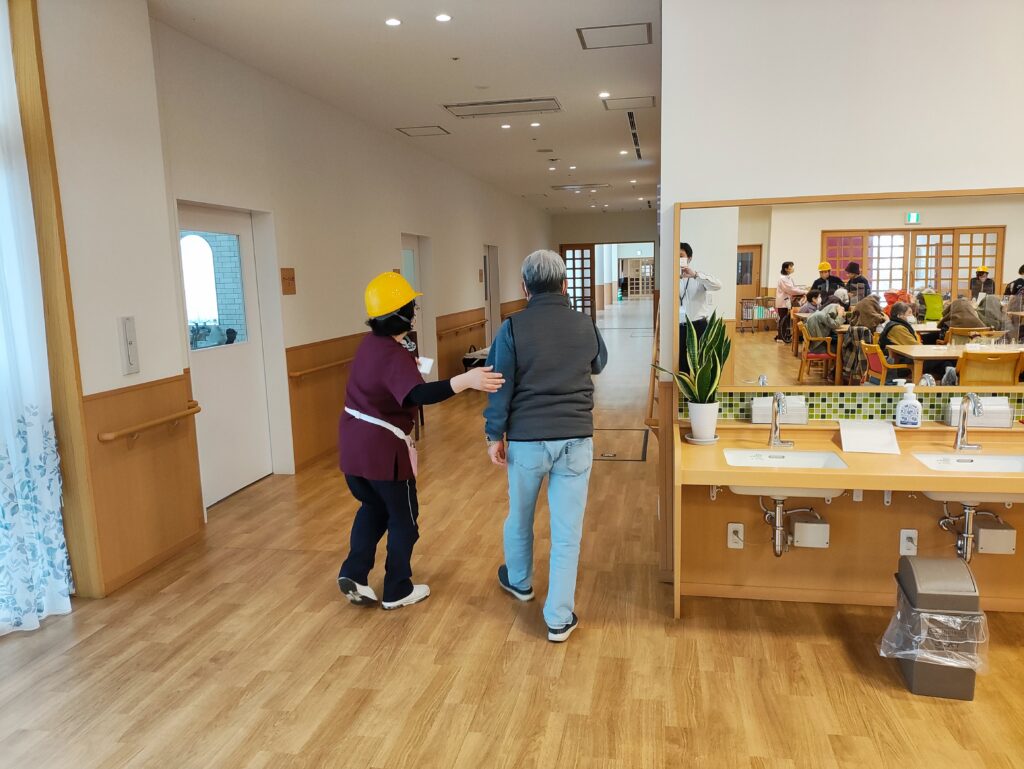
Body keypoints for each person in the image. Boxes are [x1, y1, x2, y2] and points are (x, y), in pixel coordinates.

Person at [336, 272, 504, 611]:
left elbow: (392, 380)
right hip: (383, 451)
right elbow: (419, 394)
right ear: (402, 314)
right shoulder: (392, 354)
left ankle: (354, 573)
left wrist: (410, 364)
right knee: (404, 520)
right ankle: (397, 588)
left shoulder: (370, 345)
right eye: (411, 307)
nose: (414, 313)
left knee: (372, 508)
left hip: (353, 448)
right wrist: (466, 380)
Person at [483, 250, 608, 643]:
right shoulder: (584, 323)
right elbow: (599, 363)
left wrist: (494, 434)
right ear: (565, 285)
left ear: (524, 288)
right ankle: (558, 617)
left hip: (527, 441)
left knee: (519, 515)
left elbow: (498, 383)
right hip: (575, 440)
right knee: (567, 531)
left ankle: (520, 581)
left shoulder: (512, 328)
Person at [677, 242, 722, 371]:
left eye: (681, 256)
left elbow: (718, 285)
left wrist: (695, 275)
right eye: (676, 256)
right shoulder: (672, 278)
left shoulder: (699, 278)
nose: (678, 259)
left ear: (689, 258)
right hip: (680, 327)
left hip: (699, 326)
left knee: (702, 363)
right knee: (682, 363)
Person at [774, 261, 805, 344]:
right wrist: (804, 291)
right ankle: (781, 337)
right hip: (783, 302)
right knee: (783, 320)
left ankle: (785, 336)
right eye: (791, 267)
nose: (792, 268)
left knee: (787, 320)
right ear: (786, 269)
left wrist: (801, 291)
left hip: (787, 301)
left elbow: (794, 288)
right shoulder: (783, 279)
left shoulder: (789, 278)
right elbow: (791, 290)